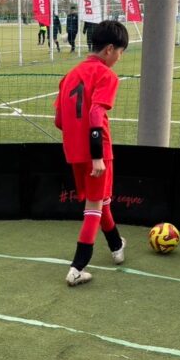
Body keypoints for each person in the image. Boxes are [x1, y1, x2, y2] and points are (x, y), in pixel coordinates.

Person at [54, 20, 129, 286]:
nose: (119, 57)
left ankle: (116, 246)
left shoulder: (69, 75)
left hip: (74, 153)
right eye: (120, 52)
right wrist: (97, 155)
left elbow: (59, 121)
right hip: (98, 151)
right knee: (94, 207)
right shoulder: (106, 75)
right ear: (109, 49)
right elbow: (96, 113)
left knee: (101, 199)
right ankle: (77, 267)